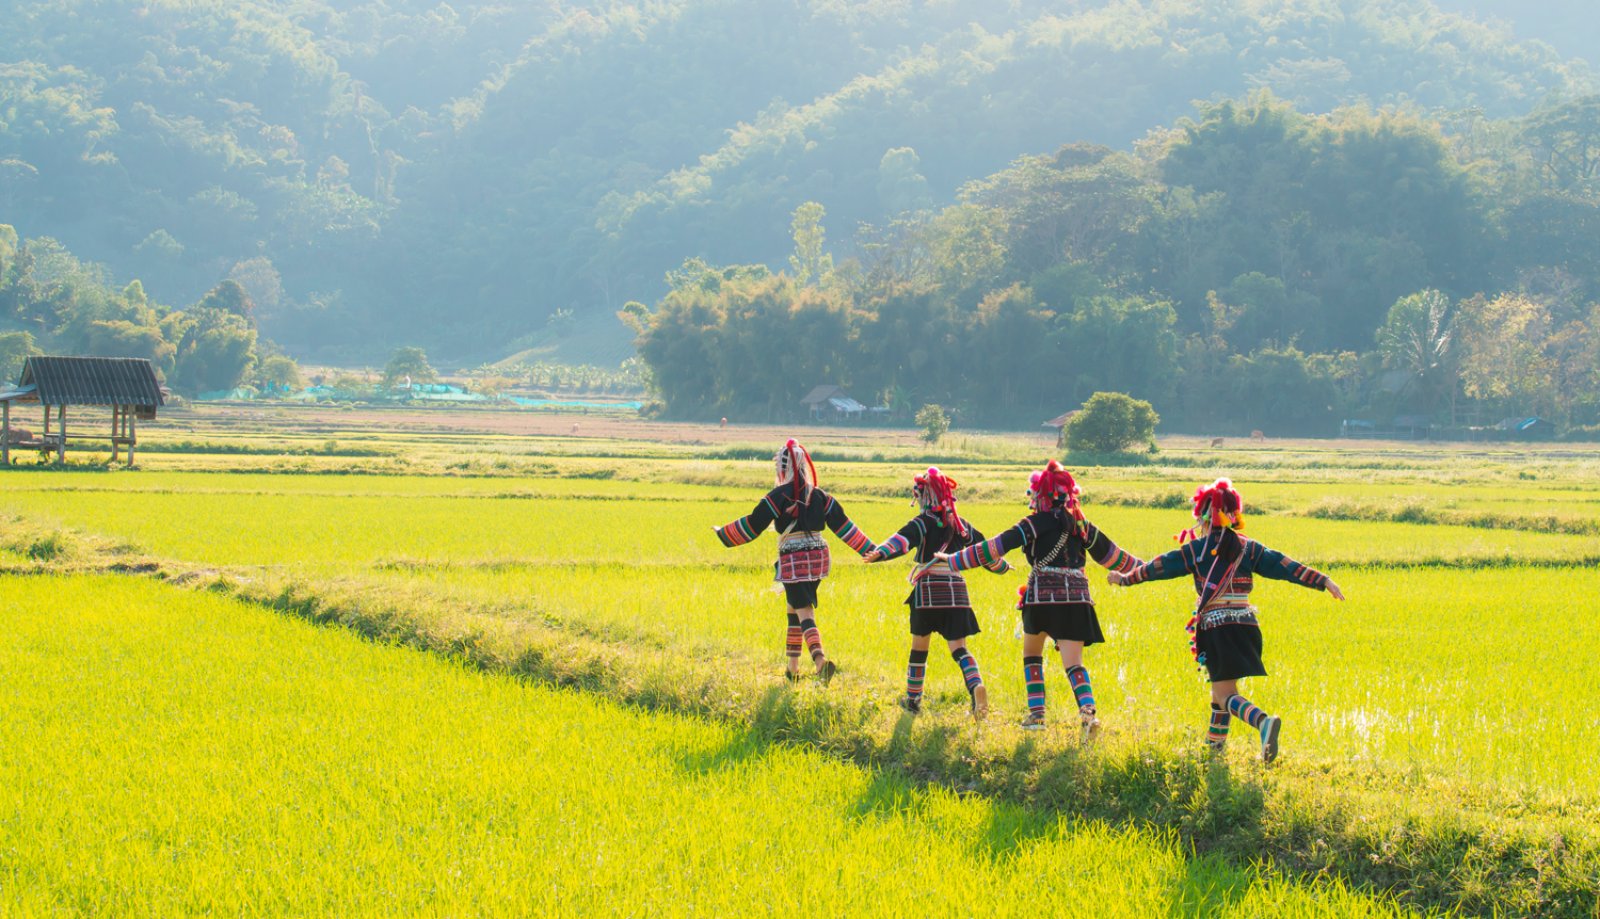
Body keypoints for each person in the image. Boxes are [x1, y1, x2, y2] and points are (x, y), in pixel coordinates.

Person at [1107, 478, 1344, 763]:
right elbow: (1285, 566)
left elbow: (1159, 567)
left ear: (1203, 517)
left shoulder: (1196, 550)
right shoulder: (1249, 548)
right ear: (1233, 515)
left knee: (1226, 695)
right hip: (1247, 627)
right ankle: (1213, 749)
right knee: (1221, 691)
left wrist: (1124, 579)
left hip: (1218, 628)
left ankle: (1263, 722)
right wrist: (1323, 580)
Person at [938, 460, 1141, 737]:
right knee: (1074, 663)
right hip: (1077, 600)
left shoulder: (1032, 523)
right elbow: (1114, 556)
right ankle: (1089, 715)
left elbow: (995, 546)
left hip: (1041, 600)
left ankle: (1037, 716)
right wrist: (1146, 569)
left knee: (1032, 654)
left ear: (1039, 495)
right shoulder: (1081, 525)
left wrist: (954, 559)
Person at [714, 439, 876, 682]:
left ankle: (820, 661)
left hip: (793, 560)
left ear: (781, 466)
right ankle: (792, 669)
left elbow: (753, 524)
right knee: (793, 609)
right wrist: (872, 550)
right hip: (819, 558)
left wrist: (724, 533)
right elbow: (844, 527)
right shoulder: (820, 495)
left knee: (804, 610)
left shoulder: (778, 496)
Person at [864, 467, 1011, 721]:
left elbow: (902, 540)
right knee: (960, 649)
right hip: (957, 592)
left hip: (928, 592)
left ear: (923, 496)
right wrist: (1003, 567)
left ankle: (912, 700)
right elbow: (985, 551)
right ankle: (976, 687)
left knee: (919, 647)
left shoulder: (923, 522)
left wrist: (880, 553)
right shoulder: (961, 525)